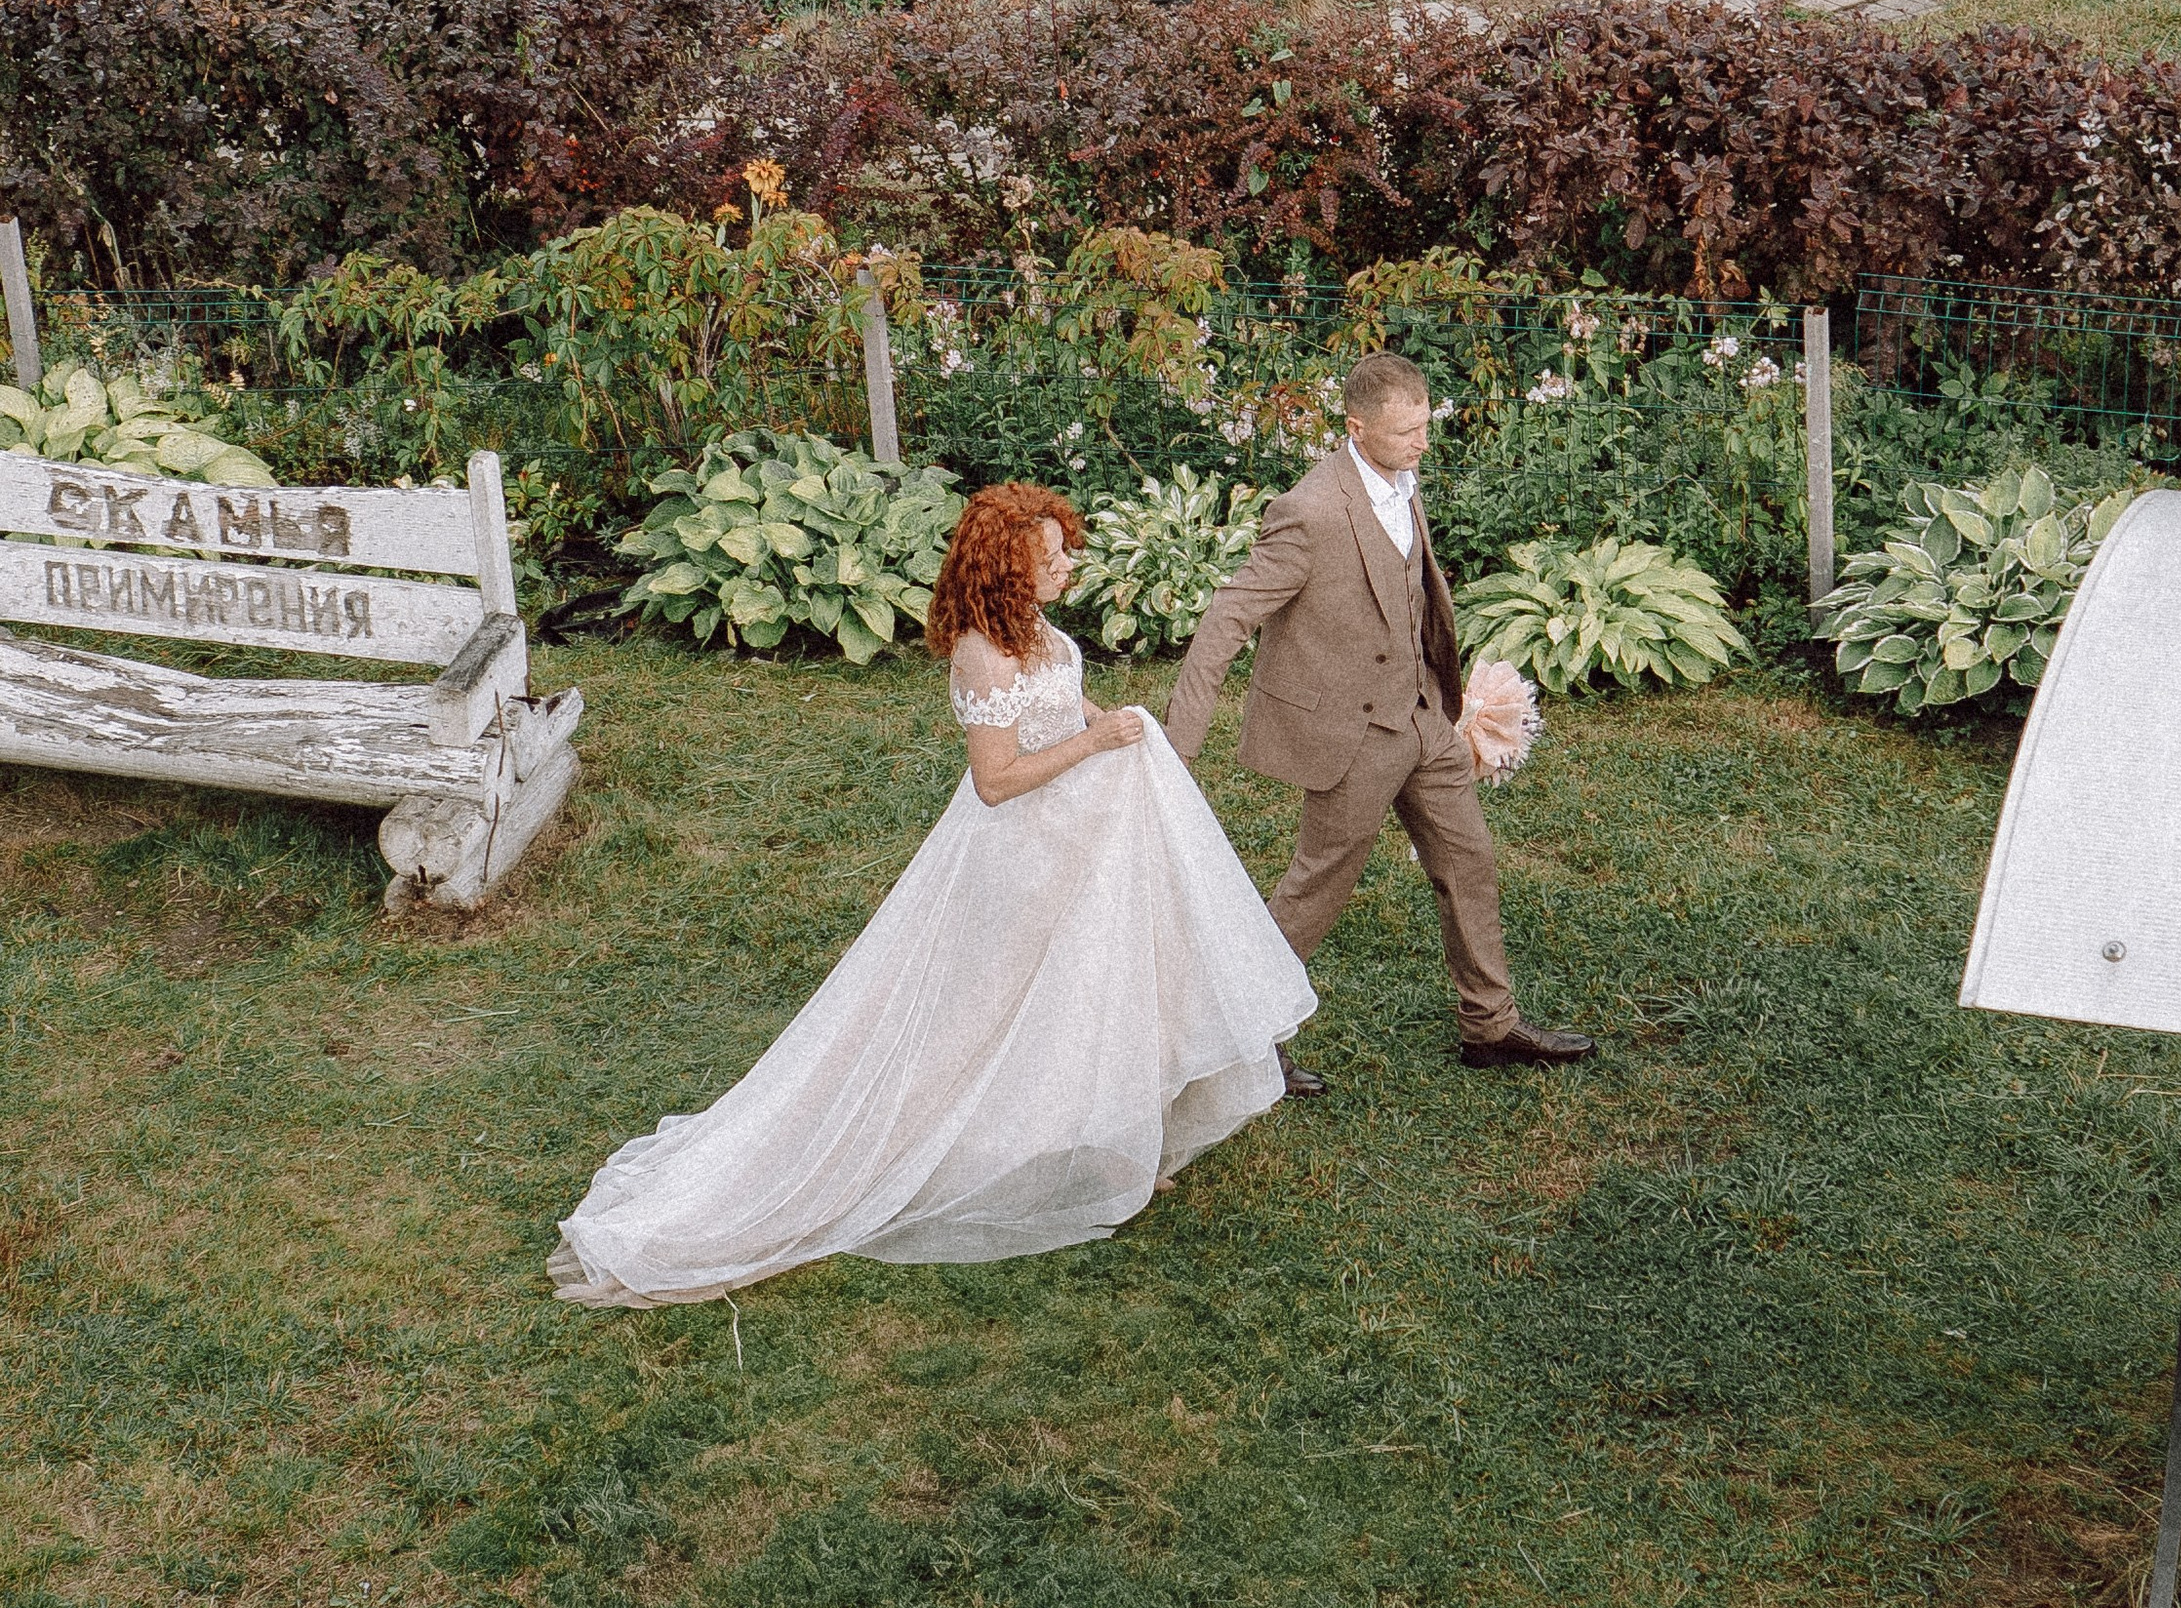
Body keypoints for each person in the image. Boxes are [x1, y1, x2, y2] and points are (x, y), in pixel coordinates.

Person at [550, 484, 1315, 1303]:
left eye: (1065, 551)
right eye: (1050, 559)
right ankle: (979, 1150)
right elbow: (996, 780)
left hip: (1077, 840)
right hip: (1019, 855)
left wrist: (1111, 724)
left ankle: (1098, 1147)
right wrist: (1097, 741)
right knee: (993, 1012)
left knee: (1084, 991)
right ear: (1005, 572)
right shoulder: (982, 654)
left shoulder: (1039, 632)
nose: (1068, 567)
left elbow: (1061, 701)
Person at [1165, 350, 1596, 1090]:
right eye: (1404, 434)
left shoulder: (1401, 478)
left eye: (1426, 427)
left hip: (1424, 717)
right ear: (1355, 427)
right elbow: (1230, 614)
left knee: (1469, 863)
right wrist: (1179, 741)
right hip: (1351, 735)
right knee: (1317, 888)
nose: (1421, 444)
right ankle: (1239, 1038)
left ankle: (1489, 1027)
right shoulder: (1310, 509)